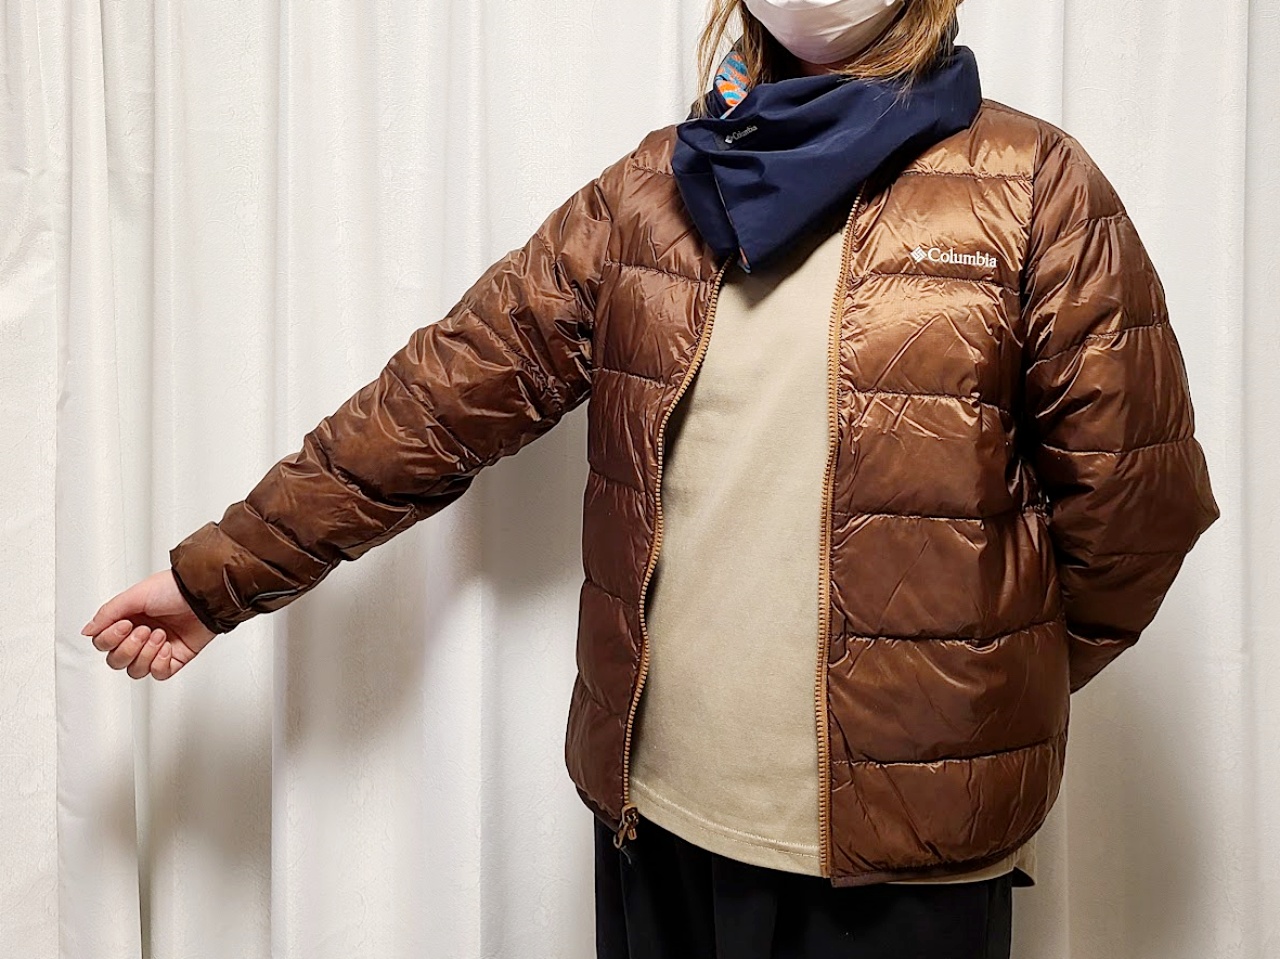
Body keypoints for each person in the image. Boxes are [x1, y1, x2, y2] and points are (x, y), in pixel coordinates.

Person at [82, 1, 1221, 956]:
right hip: (659, 820)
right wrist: (216, 578)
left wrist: (968, 687)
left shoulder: (1033, 188)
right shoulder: (656, 192)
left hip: (910, 855)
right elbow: (438, 399)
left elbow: (1138, 514)